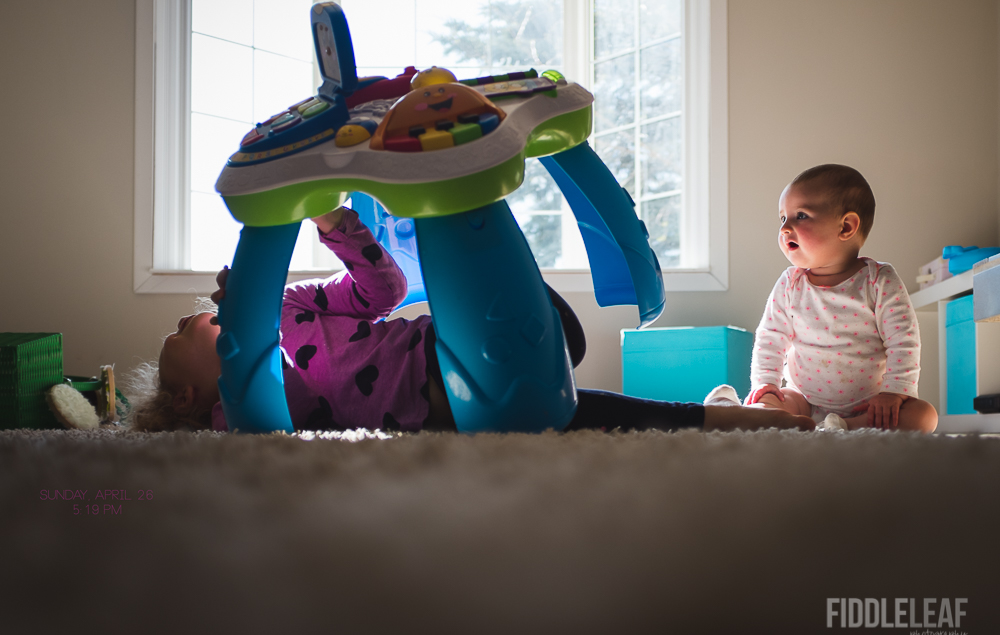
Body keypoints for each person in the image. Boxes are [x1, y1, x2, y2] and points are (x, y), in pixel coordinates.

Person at [129, 206, 815, 434]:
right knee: (602, 414)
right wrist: (245, 333)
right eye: (185, 331)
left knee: (544, 352)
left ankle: (449, 192)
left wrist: (334, 224)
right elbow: (267, 428)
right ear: (192, 394)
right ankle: (743, 418)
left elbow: (385, 285)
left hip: (454, 344)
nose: (197, 316)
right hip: (447, 413)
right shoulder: (238, 414)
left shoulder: (291, 306)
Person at [723, 164, 937, 432]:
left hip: (869, 406)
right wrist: (766, 382)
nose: (785, 228)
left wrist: (894, 392)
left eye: (800, 216)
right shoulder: (791, 283)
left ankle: (842, 426)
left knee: (923, 416)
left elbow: (903, 341)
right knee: (770, 401)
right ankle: (733, 412)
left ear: (846, 226)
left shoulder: (878, 280)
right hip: (804, 400)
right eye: (782, 218)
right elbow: (770, 337)